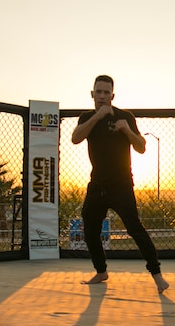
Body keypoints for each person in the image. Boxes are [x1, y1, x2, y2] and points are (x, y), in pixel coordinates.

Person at [72, 75, 169, 293]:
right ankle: (101, 271)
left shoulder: (125, 116)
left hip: (121, 185)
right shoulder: (87, 117)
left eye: (107, 93)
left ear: (112, 96)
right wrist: (98, 117)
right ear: (92, 94)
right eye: (99, 92)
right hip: (97, 185)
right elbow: (76, 138)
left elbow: (142, 147)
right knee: (90, 229)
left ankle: (157, 276)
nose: (103, 96)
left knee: (135, 229)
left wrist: (126, 129)